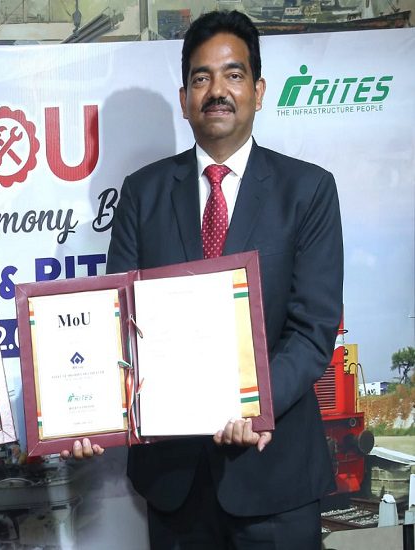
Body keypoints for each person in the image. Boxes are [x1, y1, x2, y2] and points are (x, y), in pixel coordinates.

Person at [105, 10, 342, 549]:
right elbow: (117, 327)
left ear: (258, 91)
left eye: (234, 75)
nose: (217, 91)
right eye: (201, 78)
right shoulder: (142, 194)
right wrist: (88, 415)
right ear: (184, 97)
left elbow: (313, 330)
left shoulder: (308, 191)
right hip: (175, 482)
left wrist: (254, 403)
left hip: (275, 477)